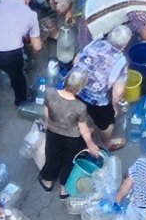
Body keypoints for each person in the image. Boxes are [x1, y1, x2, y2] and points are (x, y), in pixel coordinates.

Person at [38, 70, 100, 199]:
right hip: (73, 139)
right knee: (69, 162)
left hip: (53, 133)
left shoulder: (50, 93)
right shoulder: (80, 107)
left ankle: (48, 182)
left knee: (52, 157)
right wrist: (91, 145)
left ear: (66, 81)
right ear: (80, 89)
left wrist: (47, 124)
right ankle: (64, 189)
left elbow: (46, 111)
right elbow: (83, 129)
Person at [73, 25, 132, 148]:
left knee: (76, 114)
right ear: (124, 46)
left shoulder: (94, 43)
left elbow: (76, 61)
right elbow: (118, 91)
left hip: (75, 88)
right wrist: (114, 106)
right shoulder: (121, 61)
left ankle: (79, 129)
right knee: (107, 122)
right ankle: (107, 143)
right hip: (96, 99)